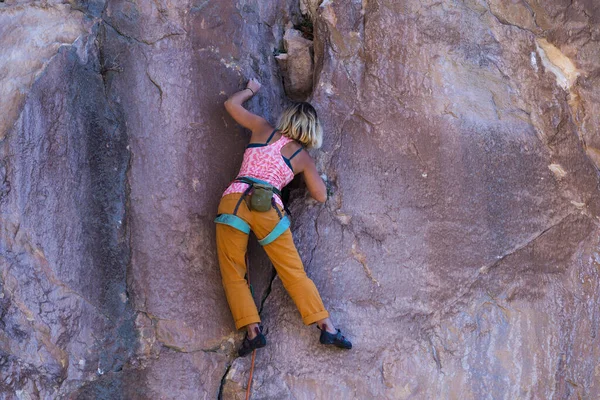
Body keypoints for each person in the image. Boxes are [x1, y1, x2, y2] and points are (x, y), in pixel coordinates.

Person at [215, 78, 352, 357]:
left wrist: (251, 90)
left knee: (233, 270)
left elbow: (231, 104)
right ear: (313, 131)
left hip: (234, 199)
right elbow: (320, 195)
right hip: (267, 209)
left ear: (287, 118)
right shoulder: (303, 158)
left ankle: (253, 332)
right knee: (292, 271)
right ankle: (326, 327)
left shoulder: (262, 128)